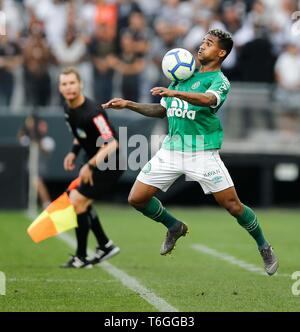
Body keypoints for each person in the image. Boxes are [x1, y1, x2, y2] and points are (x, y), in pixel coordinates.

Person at [102, 29, 279, 276]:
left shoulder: (219, 81)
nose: (201, 46)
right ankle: (174, 226)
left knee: (233, 206)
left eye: (209, 44)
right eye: (202, 42)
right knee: (136, 198)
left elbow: (207, 100)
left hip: (202, 152)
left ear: (221, 53)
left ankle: (264, 246)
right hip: (171, 150)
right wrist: (129, 104)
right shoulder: (182, 75)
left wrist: (177, 92)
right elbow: (162, 109)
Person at [59, 67, 123, 268]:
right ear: (60, 88)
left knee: (77, 201)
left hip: (110, 163)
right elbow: (80, 135)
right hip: (95, 161)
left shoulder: (93, 112)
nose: (68, 87)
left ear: (81, 85)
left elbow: (112, 143)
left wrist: (89, 165)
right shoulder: (68, 108)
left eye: (72, 83)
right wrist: (73, 152)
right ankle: (104, 245)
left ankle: (82, 257)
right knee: (80, 202)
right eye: (64, 84)